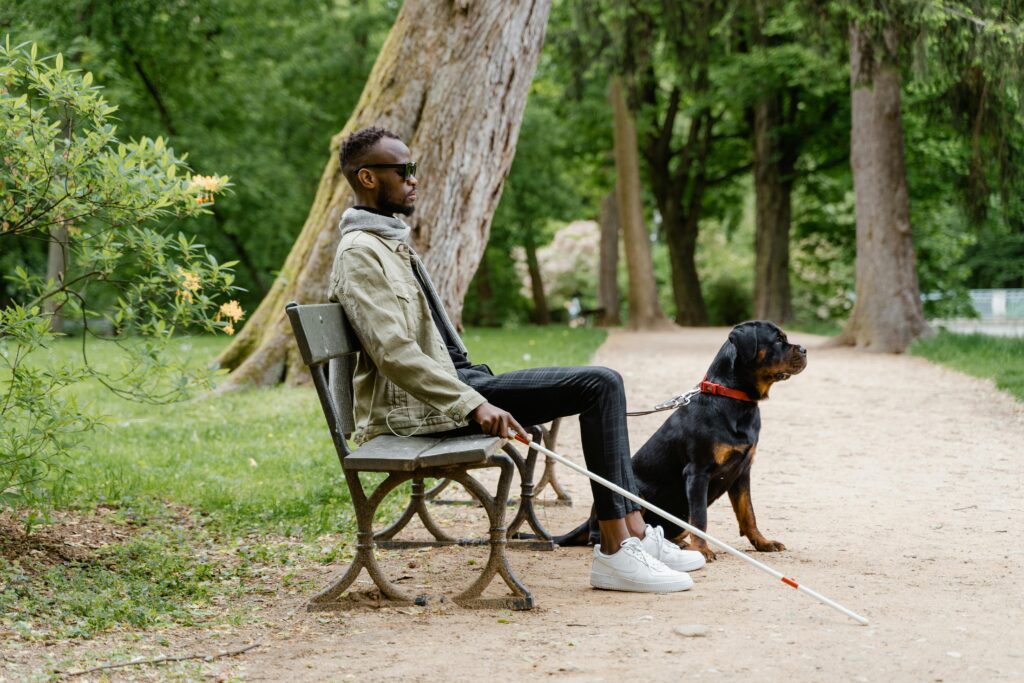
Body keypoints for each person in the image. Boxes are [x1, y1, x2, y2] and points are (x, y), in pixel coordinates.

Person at [328, 126, 704, 593]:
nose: (414, 179)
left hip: (454, 385)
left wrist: (469, 390)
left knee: (604, 383)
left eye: (414, 168)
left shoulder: (390, 243)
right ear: (367, 177)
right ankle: (613, 551)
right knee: (599, 384)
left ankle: (632, 533)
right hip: (418, 410)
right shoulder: (361, 254)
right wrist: (472, 405)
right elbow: (395, 355)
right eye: (403, 170)